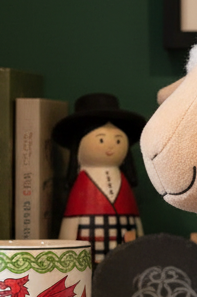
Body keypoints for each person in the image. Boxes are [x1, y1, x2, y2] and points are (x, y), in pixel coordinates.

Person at [52, 93, 147, 264]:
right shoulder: (82, 183)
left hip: (126, 257)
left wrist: (141, 246)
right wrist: (64, 253)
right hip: (87, 258)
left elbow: (135, 223)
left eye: (118, 141)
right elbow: (71, 225)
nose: (111, 146)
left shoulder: (123, 181)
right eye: (101, 139)